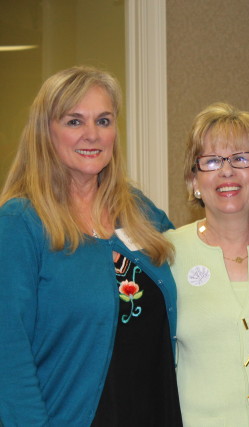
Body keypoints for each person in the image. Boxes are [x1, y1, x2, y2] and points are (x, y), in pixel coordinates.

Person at [0, 66, 181, 426]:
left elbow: (196, 271)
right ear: (45, 132)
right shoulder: (21, 222)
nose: (91, 135)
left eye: (103, 120)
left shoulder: (139, 210)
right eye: (74, 121)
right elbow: (9, 355)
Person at [165, 102, 249, 426]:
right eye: (211, 161)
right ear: (194, 180)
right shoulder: (167, 254)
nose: (226, 171)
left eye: (240, 158)